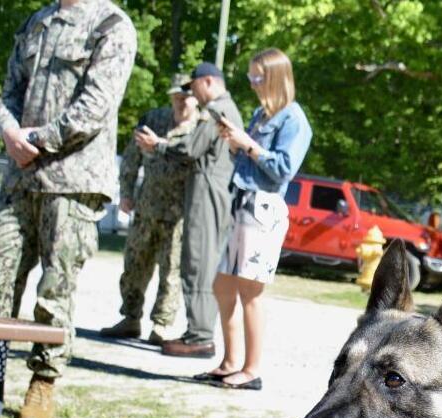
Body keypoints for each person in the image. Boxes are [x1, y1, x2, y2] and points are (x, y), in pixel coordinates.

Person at [0, 0, 136, 418]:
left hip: (72, 179)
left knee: (55, 288)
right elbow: (9, 93)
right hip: (21, 177)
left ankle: (43, 384)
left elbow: (95, 105)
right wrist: (8, 131)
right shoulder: (37, 21)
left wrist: (35, 139)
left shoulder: (111, 24)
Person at [197, 48, 312, 390]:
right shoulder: (261, 114)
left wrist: (247, 144)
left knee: (250, 291)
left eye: (257, 77)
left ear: (276, 77)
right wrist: (235, 144)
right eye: (250, 77)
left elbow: (282, 169)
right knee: (223, 285)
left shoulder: (293, 119)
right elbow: (250, 162)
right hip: (242, 201)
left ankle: (252, 369)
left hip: (263, 208)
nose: (252, 83)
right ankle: (231, 362)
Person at [137, 63, 243, 359]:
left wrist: (158, 146)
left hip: (207, 190)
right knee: (201, 260)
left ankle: (200, 335)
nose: (191, 93)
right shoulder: (225, 109)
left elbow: (190, 149)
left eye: (193, 86)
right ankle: (198, 330)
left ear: (207, 82)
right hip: (212, 189)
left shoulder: (216, 111)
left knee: (198, 261)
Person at [99, 75, 199, 344]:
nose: (181, 103)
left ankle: (162, 325)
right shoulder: (154, 120)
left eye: (186, 97)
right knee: (135, 264)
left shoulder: (201, 128)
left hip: (178, 215)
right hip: (147, 208)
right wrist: (127, 193)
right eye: (176, 97)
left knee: (171, 271)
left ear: (196, 97)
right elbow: (132, 158)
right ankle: (130, 318)